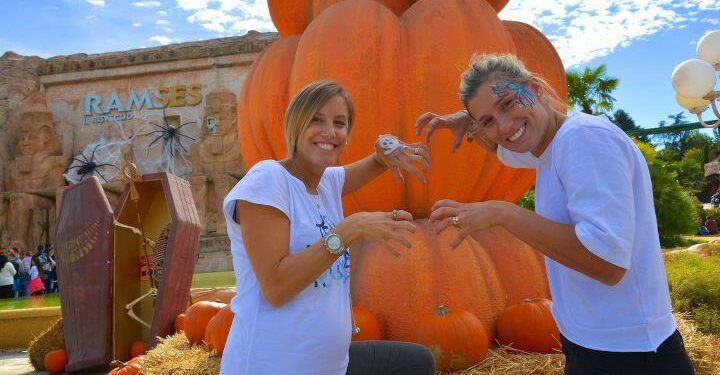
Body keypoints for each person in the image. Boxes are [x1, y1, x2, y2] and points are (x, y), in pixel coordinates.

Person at [416, 54, 694, 375]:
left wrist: (503, 213)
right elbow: (505, 146)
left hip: (633, 356)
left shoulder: (584, 139)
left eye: (507, 104)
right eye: (488, 121)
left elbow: (607, 263)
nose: (503, 127)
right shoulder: (551, 148)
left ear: (535, 88)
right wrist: (471, 121)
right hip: (596, 344)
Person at [220, 80, 435, 375]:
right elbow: (276, 287)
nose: (329, 132)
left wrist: (384, 154)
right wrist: (347, 232)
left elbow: (368, 165)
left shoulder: (325, 183)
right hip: (270, 366)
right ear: (295, 125)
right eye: (316, 120)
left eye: (340, 123)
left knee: (416, 362)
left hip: (331, 367)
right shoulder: (268, 180)